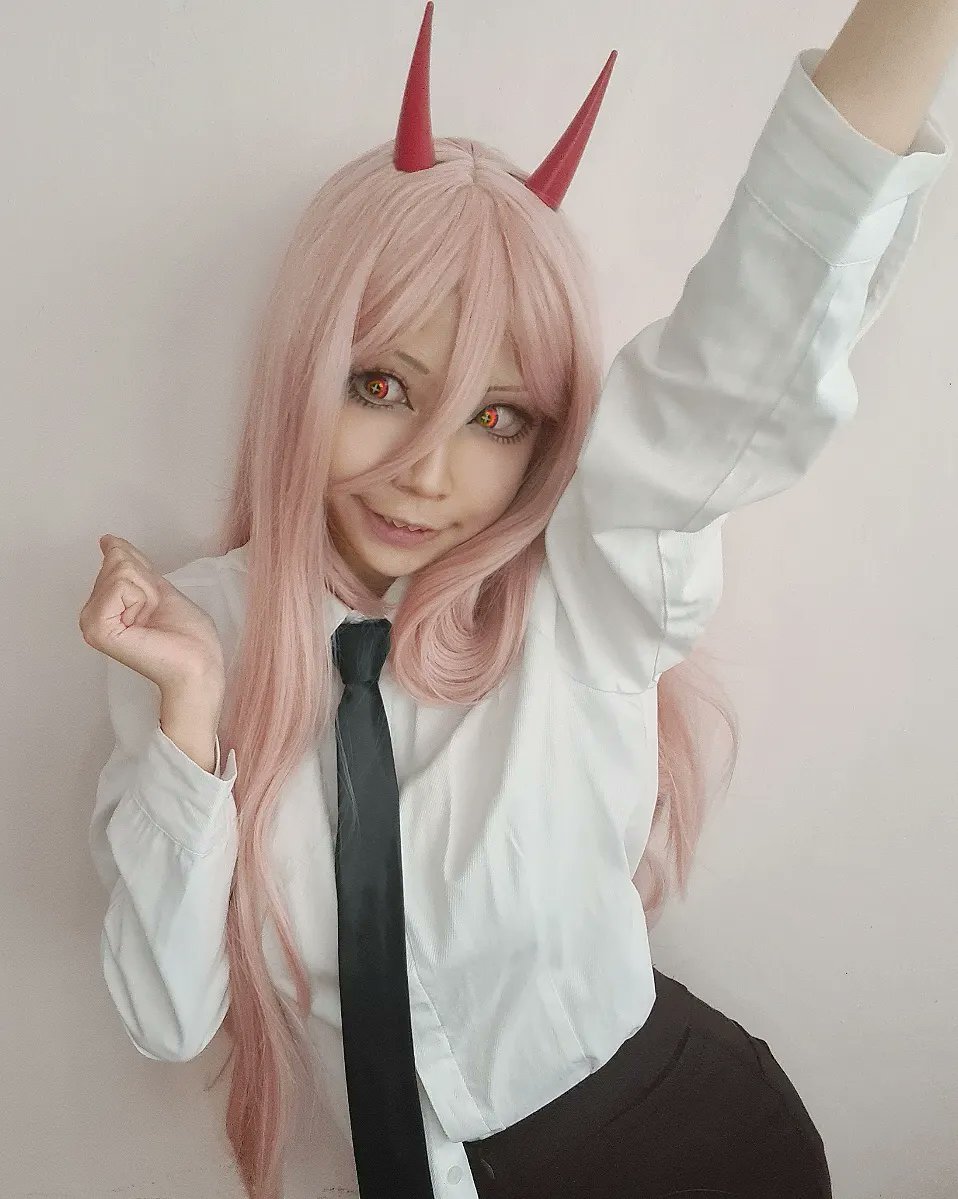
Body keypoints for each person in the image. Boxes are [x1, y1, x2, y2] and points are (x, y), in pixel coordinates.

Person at [80, 3, 954, 1197]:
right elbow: (165, 1014)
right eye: (381, 385)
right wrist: (190, 724)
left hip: (683, 1151)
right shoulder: (190, 634)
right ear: (305, 369)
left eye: (496, 416)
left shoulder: (582, 589)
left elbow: (736, 358)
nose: (427, 472)